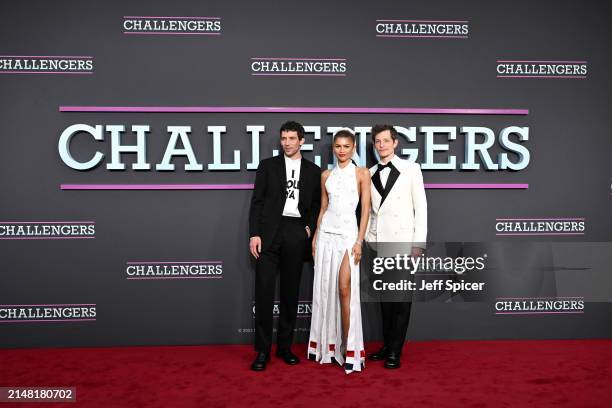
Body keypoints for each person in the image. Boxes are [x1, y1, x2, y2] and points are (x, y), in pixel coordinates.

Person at [248, 121, 322, 371]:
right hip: (269, 233)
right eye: (284, 138)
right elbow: (257, 202)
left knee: (291, 293)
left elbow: (316, 206)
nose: (287, 142)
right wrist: (254, 233)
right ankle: (262, 351)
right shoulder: (268, 167)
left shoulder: (313, 171)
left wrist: (309, 228)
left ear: (302, 140)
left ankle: (285, 347)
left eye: (292, 138)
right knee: (264, 292)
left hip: (295, 231)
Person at [308, 129, 371, 374]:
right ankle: (330, 347)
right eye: (338, 146)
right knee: (325, 290)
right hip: (326, 236)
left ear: (354, 148)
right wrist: (315, 235)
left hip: (348, 237)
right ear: (333, 148)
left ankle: (349, 348)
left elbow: (365, 210)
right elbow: (323, 208)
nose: (342, 150)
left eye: (346, 146)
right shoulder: (326, 175)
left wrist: (359, 241)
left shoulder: (361, 173)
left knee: (345, 289)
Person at [366, 124, 427, 369]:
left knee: (401, 300)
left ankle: (395, 351)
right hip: (377, 244)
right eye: (377, 142)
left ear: (395, 143)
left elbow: (420, 209)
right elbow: (370, 211)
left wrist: (418, 245)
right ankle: (387, 344)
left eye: (385, 141)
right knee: (384, 300)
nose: (381, 145)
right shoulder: (368, 172)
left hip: (402, 243)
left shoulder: (411, 169)